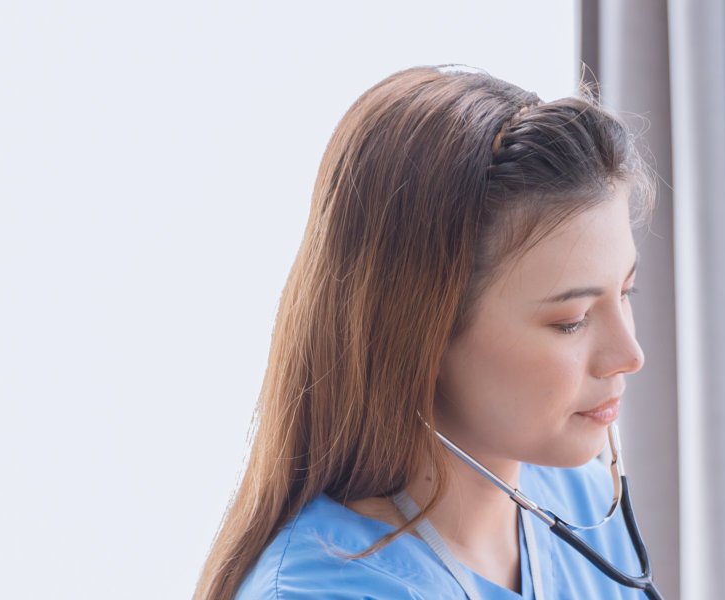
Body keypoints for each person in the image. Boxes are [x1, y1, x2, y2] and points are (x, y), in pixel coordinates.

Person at [195, 66, 656, 600]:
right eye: (570, 321)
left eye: (626, 293)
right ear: (422, 335)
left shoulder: (584, 503)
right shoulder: (319, 590)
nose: (630, 355)